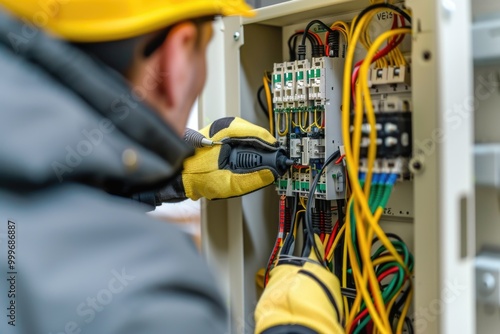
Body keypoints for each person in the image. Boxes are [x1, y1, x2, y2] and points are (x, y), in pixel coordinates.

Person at [0, 1, 343, 333]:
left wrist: (172, 180)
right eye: (205, 49)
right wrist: (297, 328)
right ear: (178, 57)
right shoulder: (150, 291)